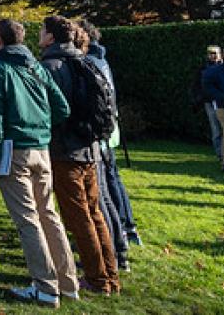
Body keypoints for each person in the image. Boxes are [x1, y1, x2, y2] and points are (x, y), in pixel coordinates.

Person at [0, 19, 80, 307]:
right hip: (42, 149)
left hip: (16, 151)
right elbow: (61, 107)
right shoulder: (36, 66)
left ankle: (45, 286)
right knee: (49, 215)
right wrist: (41, 125)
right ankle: (68, 282)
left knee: (28, 220)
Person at [39, 15, 121, 296]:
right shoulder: (85, 61)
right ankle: (110, 274)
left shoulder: (50, 66)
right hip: (90, 147)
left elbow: (52, 111)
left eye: (42, 31)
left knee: (78, 217)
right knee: (95, 213)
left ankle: (97, 279)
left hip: (65, 149)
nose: (39, 35)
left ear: (51, 37)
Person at [76, 19, 141, 265]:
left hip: (98, 133)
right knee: (110, 182)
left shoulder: (89, 62)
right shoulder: (101, 60)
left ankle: (115, 242)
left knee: (102, 190)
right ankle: (124, 228)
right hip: (107, 130)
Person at [193, 46, 224, 156]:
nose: (213, 55)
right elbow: (197, 85)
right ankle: (220, 153)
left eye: (215, 53)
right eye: (210, 53)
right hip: (209, 102)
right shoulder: (203, 69)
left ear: (220, 54)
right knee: (216, 129)